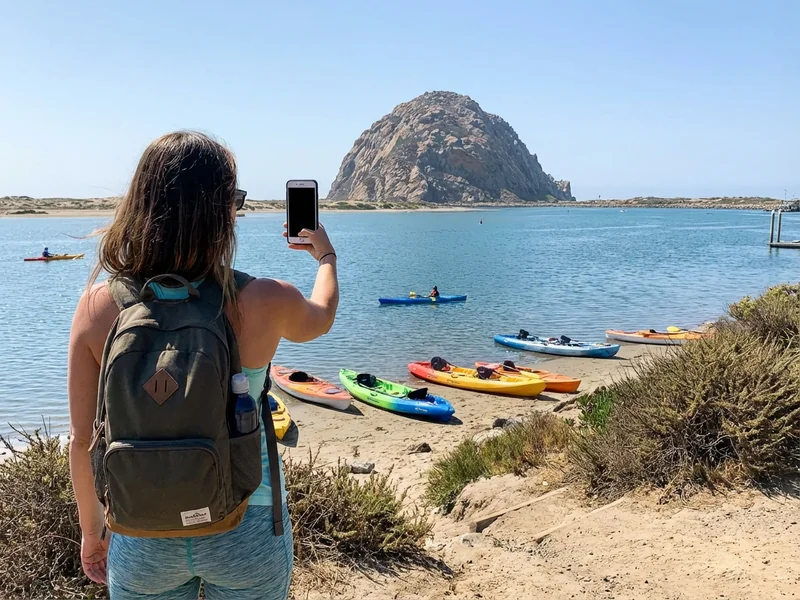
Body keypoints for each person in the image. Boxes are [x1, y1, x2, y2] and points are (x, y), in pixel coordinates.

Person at [68, 131, 338, 600]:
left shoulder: (97, 307)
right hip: (246, 524)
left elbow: (82, 441)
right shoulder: (263, 299)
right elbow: (323, 315)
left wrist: (93, 533)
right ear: (222, 214)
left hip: (139, 533)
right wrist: (326, 257)